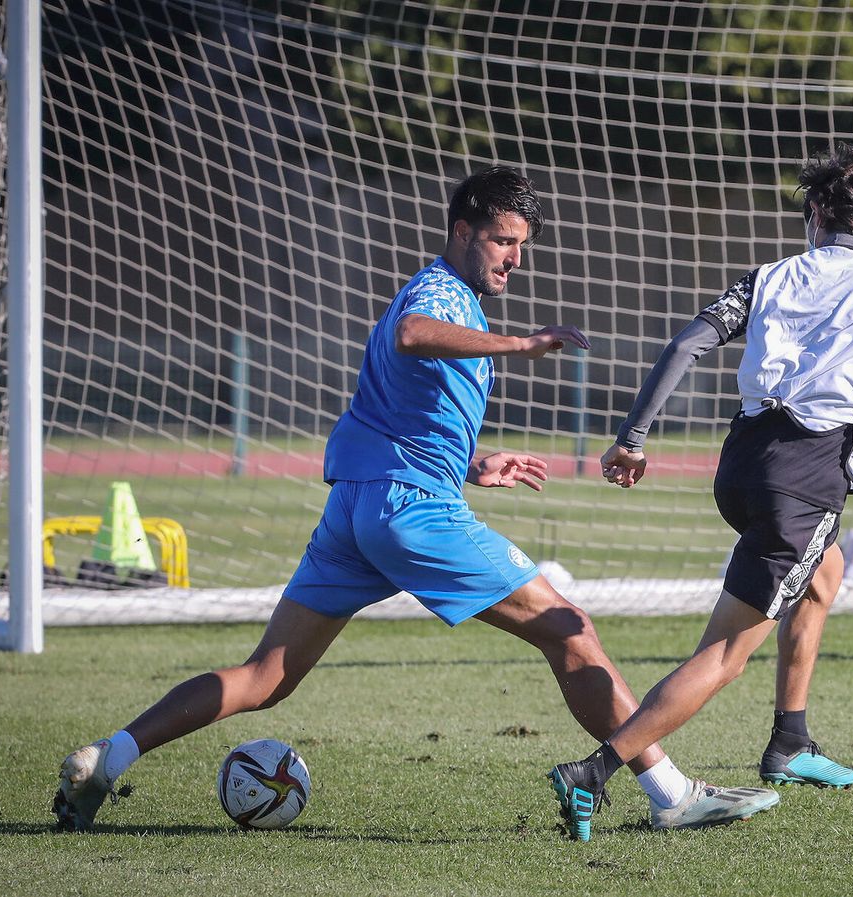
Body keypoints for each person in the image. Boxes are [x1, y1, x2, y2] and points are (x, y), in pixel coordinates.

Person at [53, 166, 777, 834]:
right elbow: (413, 335)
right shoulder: (439, 294)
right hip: (410, 512)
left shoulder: (444, 293)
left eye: (521, 245)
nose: (512, 258)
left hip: (358, 509)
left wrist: (470, 463)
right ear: (462, 231)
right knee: (569, 626)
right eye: (501, 239)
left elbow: (399, 408)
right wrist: (521, 345)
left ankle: (108, 757)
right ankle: (672, 795)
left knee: (265, 676)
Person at [547, 143, 853, 841]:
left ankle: (791, 739)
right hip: (806, 480)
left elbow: (686, 345)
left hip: (742, 462)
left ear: (816, 213)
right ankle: (594, 772)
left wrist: (633, 436)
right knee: (724, 653)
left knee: (825, 572)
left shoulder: (769, 277)